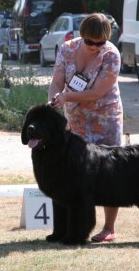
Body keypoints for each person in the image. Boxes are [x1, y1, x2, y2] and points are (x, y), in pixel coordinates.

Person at [47, 13, 124, 243]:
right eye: (90, 41)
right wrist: (53, 101)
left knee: (110, 174)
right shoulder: (68, 48)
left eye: (100, 42)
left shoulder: (111, 55)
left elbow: (96, 93)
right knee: (75, 174)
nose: (94, 46)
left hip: (105, 119)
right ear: (82, 36)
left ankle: (109, 228)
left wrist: (68, 96)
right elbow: (56, 82)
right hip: (76, 121)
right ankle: (73, 226)